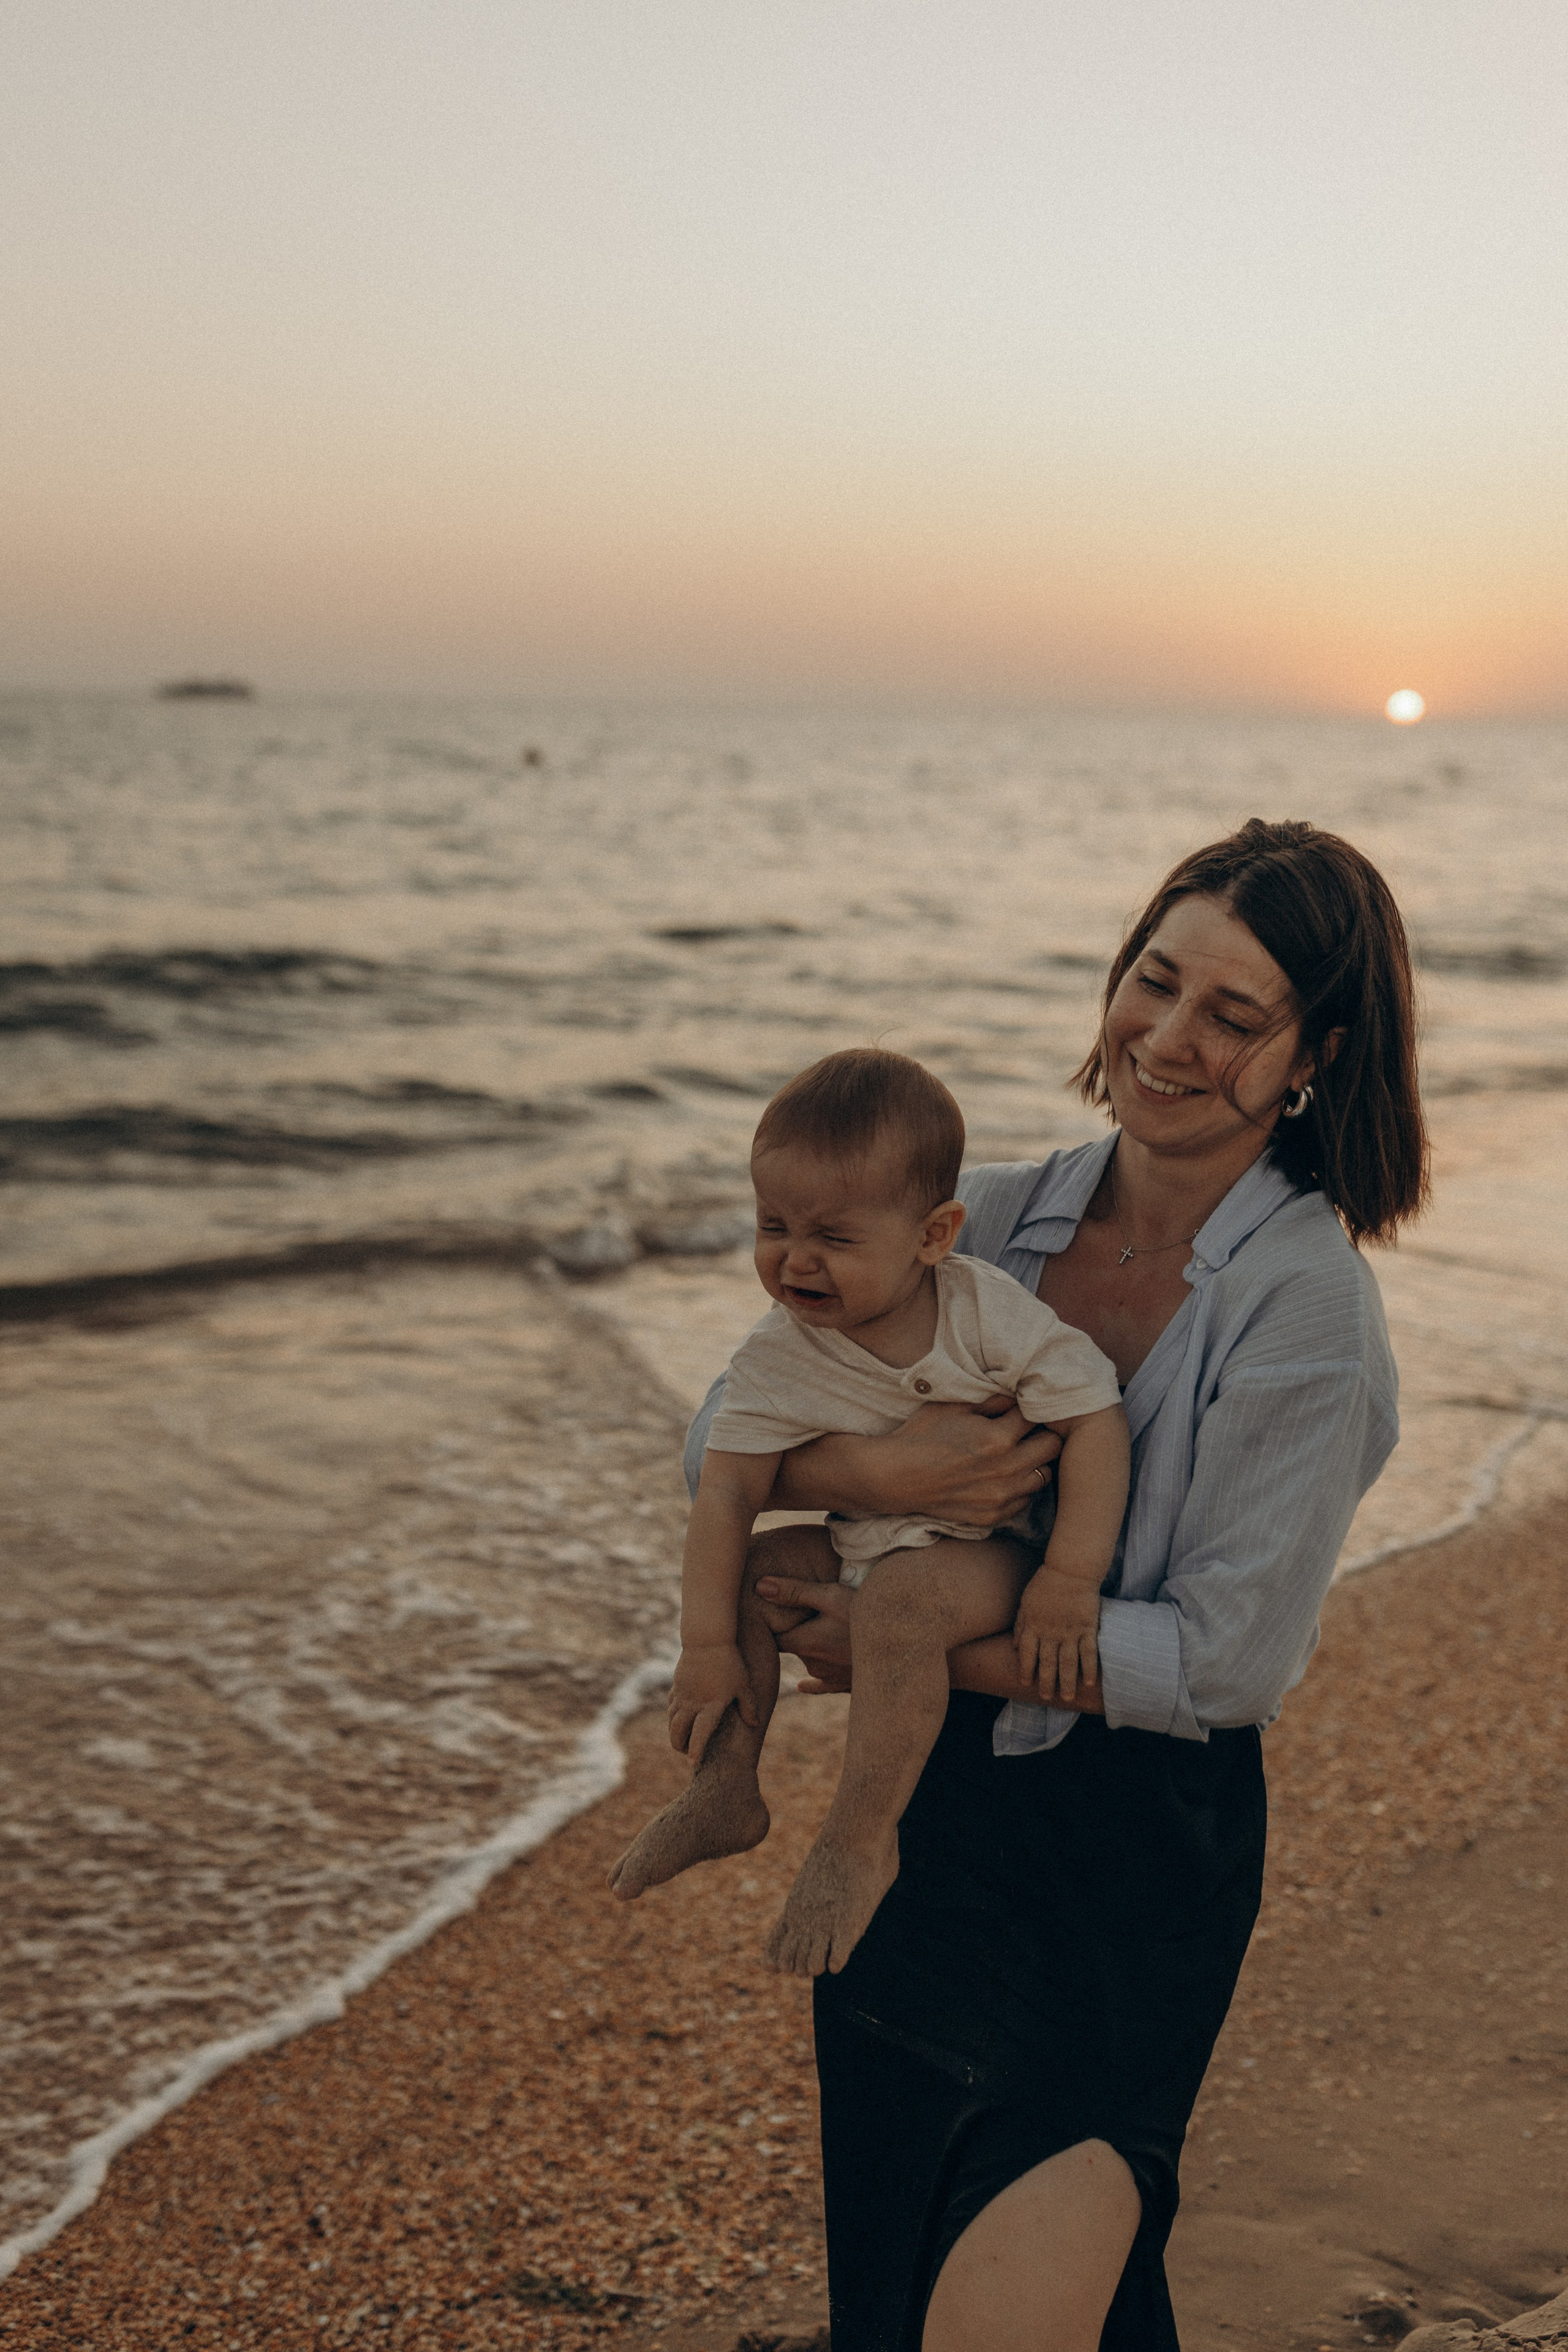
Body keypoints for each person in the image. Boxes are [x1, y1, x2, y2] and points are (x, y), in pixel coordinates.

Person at [674, 819, 1427, 2352]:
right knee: (917, 2280)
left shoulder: (1305, 1311)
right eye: (1152, 982)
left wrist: (905, 1645)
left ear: (1313, 1055)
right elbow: (723, 1426)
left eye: (1231, 1015)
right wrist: (884, 1482)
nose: (1165, 1038)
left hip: (1124, 1869)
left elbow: (1220, 1666)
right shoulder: (988, 1217)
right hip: (925, 1836)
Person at [609, 1048, 1129, 1980]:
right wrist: (705, 1644)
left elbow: (1094, 1416)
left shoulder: (982, 1313)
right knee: (752, 1575)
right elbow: (724, 1490)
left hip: (987, 1554)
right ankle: (728, 1785)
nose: (794, 1259)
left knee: (898, 1602)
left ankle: (859, 1839)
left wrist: (1070, 1577)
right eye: (773, 1226)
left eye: (836, 1238)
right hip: (862, 1538)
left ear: (933, 1235)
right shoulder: (782, 1353)